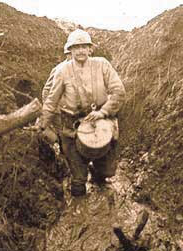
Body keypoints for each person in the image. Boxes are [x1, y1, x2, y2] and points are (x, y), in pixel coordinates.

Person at [40, 29, 126, 197]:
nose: (80, 51)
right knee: (78, 181)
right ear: (69, 51)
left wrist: (103, 112)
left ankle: (97, 173)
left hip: (102, 122)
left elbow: (119, 92)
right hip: (71, 126)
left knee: (107, 172)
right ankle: (80, 212)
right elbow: (50, 100)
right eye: (76, 47)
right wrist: (43, 124)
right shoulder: (62, 71)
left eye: (83, 47)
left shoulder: (102, 64)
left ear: (90, 49)